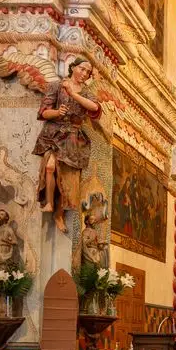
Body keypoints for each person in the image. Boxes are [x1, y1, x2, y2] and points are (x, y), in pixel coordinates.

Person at [33, 58, 101, 233]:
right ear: (73, 68)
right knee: (49, 167)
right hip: (54, 134)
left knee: (67, 180)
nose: (84, 73)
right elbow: (43, 112)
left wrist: (73, 94)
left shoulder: (85, 92)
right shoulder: (56, 86)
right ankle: (48, 202)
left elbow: (94, 108)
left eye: (88, 72)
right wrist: (57, 112)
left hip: (72, 138)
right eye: (82, 69)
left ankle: (59, 213)